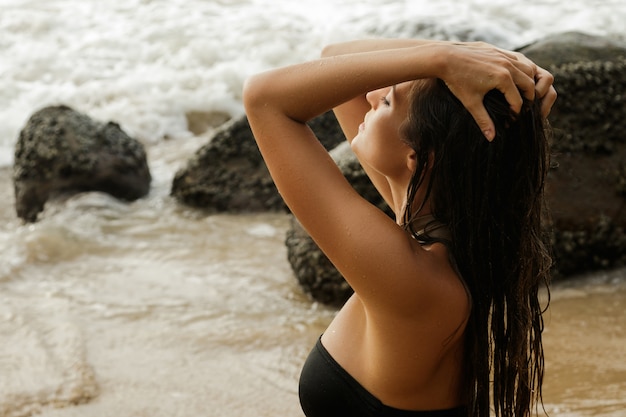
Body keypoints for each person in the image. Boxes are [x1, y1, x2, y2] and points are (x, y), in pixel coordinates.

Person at [243, 38, 556, 417]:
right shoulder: (442, 237)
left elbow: (264, 99)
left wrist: (444, 58)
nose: (371, 96)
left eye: (387, 101)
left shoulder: (414, 279)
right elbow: (336, 58)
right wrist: (464, 56)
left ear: (418, 156)